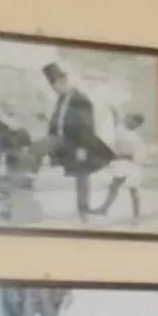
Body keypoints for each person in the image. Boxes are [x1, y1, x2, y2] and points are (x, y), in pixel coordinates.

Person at [39, 62, 113, 223]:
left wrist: (82, 148)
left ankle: (83, 210)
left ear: (64, 81)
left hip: (79, 142)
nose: (54, 89)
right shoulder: (61, 98)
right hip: (62, 140)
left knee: (82, 175)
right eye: (52, 86)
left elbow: (86, 125)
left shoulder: (80, 99)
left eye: (56, 85)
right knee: (35, 151)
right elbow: (58, 120)